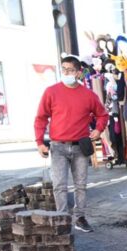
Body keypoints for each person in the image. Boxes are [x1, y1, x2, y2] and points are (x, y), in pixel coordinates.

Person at [34, 55, 109, 233]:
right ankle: (62, 218)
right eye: (64, 69)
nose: (66, 72)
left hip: (80, 146)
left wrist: (98, 129)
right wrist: (39, 142)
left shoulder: (88, 95)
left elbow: (103, 114)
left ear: (78, 72)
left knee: (81, 185)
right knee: (59, 184)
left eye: (70, 70)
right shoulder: (51, 92)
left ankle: (80, 218)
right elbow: (41, 118)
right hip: (57, 146)